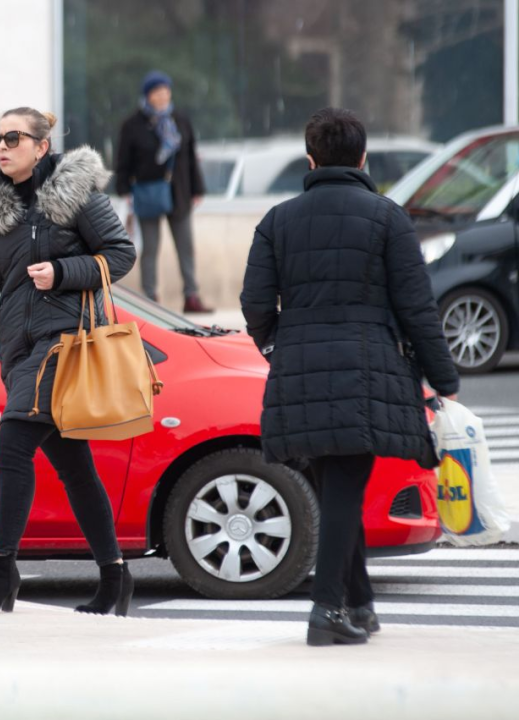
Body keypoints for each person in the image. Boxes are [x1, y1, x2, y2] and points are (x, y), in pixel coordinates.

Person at [240, 107, 460, 647]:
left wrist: (278, 345)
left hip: (299, 372)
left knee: (336, 487)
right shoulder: (388, 218)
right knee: (343, 489)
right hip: (367, 373)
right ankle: (327, 609)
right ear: (363, 159)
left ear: (310, 159)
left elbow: (254, 304)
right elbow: (417, 308)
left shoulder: (278, 220)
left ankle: (358, 604)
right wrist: (444, 378)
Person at [0, 107, 137, 616]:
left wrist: (65, 272)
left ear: (41, 146)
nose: (1, 147)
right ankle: (115, 576)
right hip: (19, 348)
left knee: (12, 441)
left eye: (12, 137)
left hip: (63, 343)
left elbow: (120, 253)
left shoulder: (75, 195)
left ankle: (1, 572)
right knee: (76, 468)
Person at [115, 70, 211, 313]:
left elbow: (190, 156)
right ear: (148, 95)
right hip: (148, 193)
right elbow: (123, 160)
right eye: (158, 92)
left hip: (179, 192)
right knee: (150, 247)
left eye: (166, 91)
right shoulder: (132, 125)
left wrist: (197, 188)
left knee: (185, 246)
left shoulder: (179, 119)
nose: (163, 96)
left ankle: (191, 295)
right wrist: (124, 189)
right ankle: (150, 298)